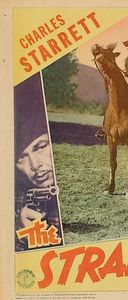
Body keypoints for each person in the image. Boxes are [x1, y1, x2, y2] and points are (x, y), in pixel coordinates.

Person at [14, 73, 62, 251]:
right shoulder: (16, 197)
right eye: (21, 158)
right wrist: (21, 232)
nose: (34, 165)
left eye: (40, 147)